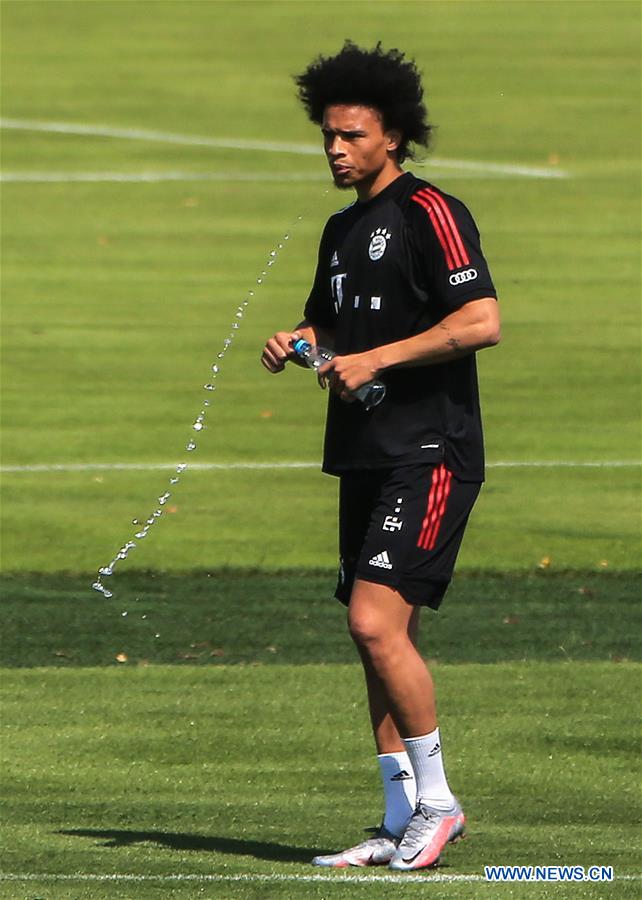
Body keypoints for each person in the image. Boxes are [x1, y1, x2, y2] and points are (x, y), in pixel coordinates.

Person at [261, 40, 500, 872]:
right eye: (327, 134)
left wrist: (379, 359)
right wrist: (303, 340)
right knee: (375, 636)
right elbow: (334, 327)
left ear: (391, 136)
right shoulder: (340, 227)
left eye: (352, 135)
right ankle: (399, 815)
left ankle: (439, 806)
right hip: (364, 452)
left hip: (429, 453)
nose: (335, 148)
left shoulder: (431, 212)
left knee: (373, 621)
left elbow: (480, 322)